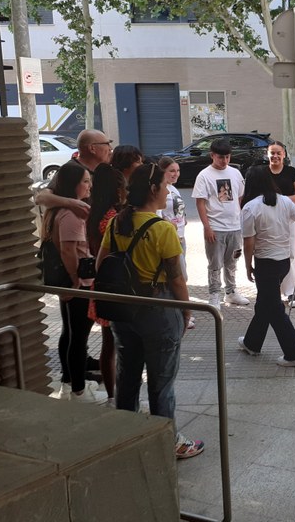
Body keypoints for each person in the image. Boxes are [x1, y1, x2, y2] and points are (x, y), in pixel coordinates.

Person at [97, 163, 204, 459]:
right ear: (154, 189)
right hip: (158, 310)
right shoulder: (162, 229)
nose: (169, 189)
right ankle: (167, 442)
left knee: (128, 374)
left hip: (123, 313)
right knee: (161, 381)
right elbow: (177, 279)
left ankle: (127, 434)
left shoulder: (117, 223)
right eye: (165, 184)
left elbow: (100, 264)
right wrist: (185, 312)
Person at [45, 161, 106, 404]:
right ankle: (79, 391)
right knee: (78, 337)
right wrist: (75, 281)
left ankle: (70, 384)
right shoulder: (72, 213)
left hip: (71, 281)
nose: (89, 185)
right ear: (73, 185)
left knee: (70, 333)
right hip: (78, 282)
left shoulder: (59, 210)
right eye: (85, 181)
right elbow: (69, 250)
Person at [238, 165, 295, 367]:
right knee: (265, 304)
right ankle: (252, 343)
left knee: (275, 310)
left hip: (265, 264)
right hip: (283, 263)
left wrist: (247, 266)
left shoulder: (250, 207)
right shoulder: (285, 201)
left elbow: (249, 242)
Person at [86, 163, 127, 406]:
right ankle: (120, 395)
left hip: (100, 283)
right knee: (120, 345)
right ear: (115, 190)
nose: (125, 191)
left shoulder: (93, 213)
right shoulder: (113, 218)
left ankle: (112, 395)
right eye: (122, 187)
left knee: (108, 344)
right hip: (117, 286)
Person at [192, 139, 249, 308]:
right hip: (216, 228)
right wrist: (207, 227)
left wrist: (241, 221)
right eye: (220, 157)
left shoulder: (236, 173)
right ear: (212, 156)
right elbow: (200, 203)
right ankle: (214, 294)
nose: (224, 161)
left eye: (227, 157)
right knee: (215, 264)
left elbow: (240, 198)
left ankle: (231, 292)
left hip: (235, 227)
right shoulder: (204, 175)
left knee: (232, 262)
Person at [34, 129, 113, 217]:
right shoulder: (72, 170)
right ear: (92, 148)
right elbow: (41, 198)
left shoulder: (105, 169)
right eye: (107, 144)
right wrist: (72, 203)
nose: (111, 148)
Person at [266, 141, 295, 308]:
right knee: (270, 253)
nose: (275, 156)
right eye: (272, 153)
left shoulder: (291, 172)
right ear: (267, 154)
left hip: (290, 218)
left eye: (278, 153)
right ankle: (272, 291)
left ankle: (290, 291)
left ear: (284, 155)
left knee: (292, 253)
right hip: (267, 219)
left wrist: (281, 201)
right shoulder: (262, 173)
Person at [158, 157, 192, 328]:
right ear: (162, 171)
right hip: (170, 239)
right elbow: (157, 215)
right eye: (172, 171)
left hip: (180, 236)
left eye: (177, 171)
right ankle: (181, 311)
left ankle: (180, 310)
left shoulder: (174, 189)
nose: (175, 174)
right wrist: (166, 223)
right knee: (177, 276)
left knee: (183, 274)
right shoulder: (160, 189)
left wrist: (183, 220)